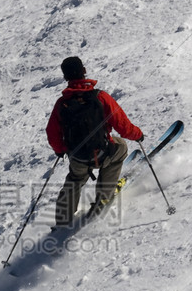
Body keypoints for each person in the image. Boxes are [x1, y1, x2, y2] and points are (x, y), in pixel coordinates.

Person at [46, 56, 144, 227]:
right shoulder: (100, 97)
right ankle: (102, 199)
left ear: (65, 77)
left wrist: (61, 150)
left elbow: (52, 133)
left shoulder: (62, 103)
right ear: (84, 71)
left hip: (77, 157)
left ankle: (63, 219)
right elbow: (123, 126)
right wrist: (138, 135)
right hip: (103, 152)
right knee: (121, 147)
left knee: (75, 179)